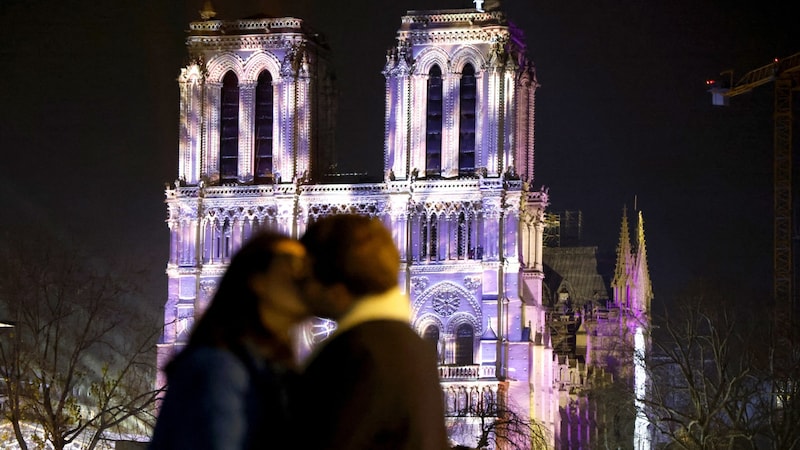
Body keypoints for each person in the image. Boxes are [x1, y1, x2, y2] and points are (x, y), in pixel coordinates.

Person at [295, 214, 449, 450]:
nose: (300, 290)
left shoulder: (355, 352)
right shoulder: (411, 345)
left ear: (336, 289)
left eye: (305, 279)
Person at [150, 231, 308, 450]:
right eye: (293, 271)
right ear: (258, 281)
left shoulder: (266, 364)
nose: (306, 283)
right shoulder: (221, 367)